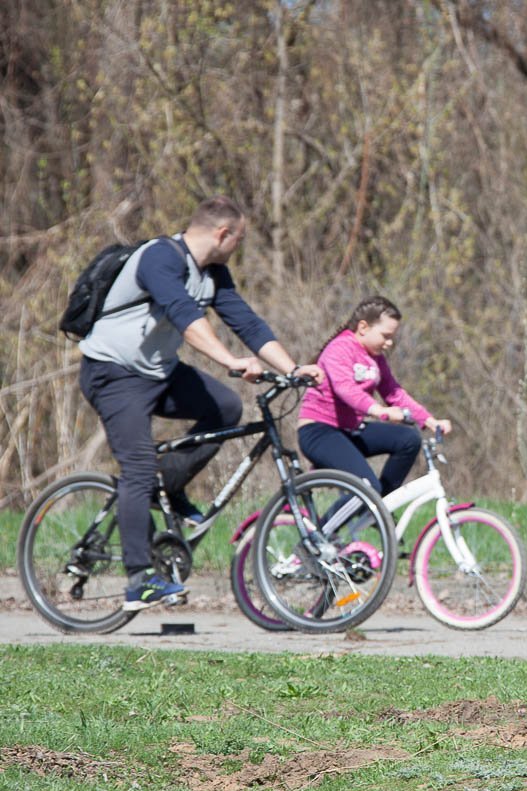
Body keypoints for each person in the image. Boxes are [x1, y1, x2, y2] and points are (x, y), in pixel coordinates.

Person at [79, 195, 325, 612]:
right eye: (239, 239)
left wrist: (293, 367)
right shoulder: (158, 257)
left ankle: (168, 486)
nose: (239, 247)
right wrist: (229, 361)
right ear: (223, 233)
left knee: (226, 408)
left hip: (158, 372)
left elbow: (244, 321)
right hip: (114, 373)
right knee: (138, 468)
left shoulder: (213, 274)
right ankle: (139, 579)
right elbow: (184, 316)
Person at [296, 296, 451, 500]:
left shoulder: (375, 358)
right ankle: (330, 527)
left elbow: (394, 393)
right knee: (366, 488)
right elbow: (346, 389)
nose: (389, 343)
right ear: (363, 327)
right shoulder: (339, 348)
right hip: (319, 431)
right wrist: (380, 411)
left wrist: (430, 421)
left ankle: (381, 508)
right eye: (385, 336)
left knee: (409, 440)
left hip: (349, 431)